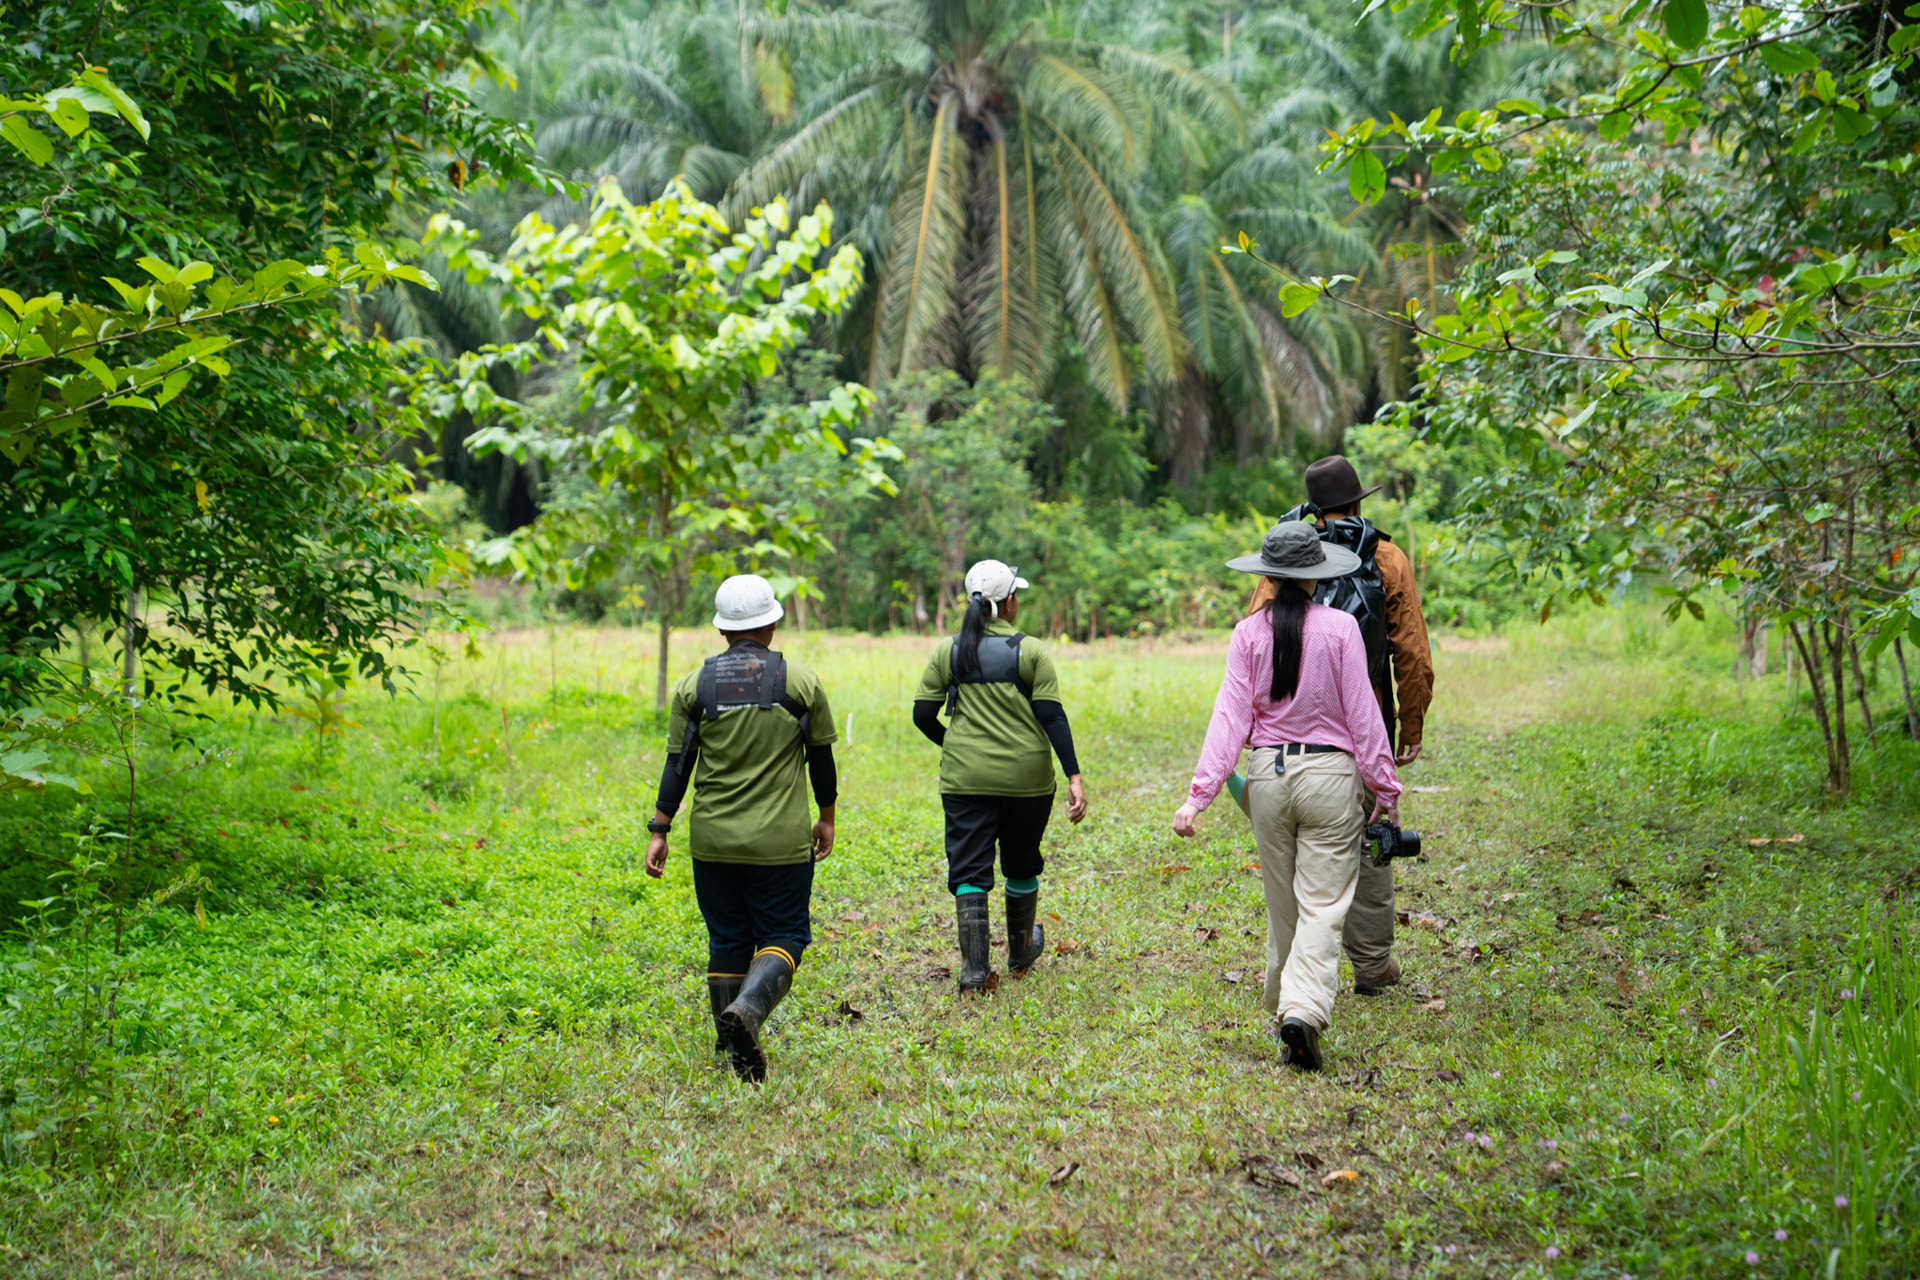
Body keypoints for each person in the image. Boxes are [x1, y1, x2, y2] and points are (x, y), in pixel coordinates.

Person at [1174, 521, 1401, 1071]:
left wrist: (1197, 797)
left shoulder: (1246, 633)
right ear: (1317, 578)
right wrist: (1384, 785)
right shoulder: (1342, 628)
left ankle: (1286, 1009)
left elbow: (1229, 718)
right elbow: (1363, 715)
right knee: (1324, 905)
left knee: (1285, 909)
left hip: (1268, 781)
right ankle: (1302, 1010)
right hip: (1329, 778)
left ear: (1270, 577)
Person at [1229, 455, 1432, 997]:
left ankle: (1295, 975)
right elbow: (1410, 650)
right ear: (1359, 501)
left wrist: (1248, 729)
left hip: (1285, 738)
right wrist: (1409, 724)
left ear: (1314, 507)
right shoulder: (1385, 557)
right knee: (1368, 841)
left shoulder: (1287, 552)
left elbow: (1255, 633)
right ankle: (1370, 965)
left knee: (1293, 854)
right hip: (1363, 729)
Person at [644, 574, 838, 1083]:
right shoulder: (800, 683)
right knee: (786, 934)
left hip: (713, 843)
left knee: (727, 937)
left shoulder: (695, 687)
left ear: (722, 630)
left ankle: (732, 1056)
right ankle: (749, 1012)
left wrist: (659, 828)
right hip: (779, 844)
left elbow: (677, 765)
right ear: (772, 623)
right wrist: (827, 817)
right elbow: (822, 762)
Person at [912, 561, 1089, 994]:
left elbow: (922, 715)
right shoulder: (1030, 651)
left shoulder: (948, 651)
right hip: (1027, 780)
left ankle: (974, 972)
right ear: (1008, 601)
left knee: (969, 868)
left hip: (964, 781)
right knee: (1021, 861)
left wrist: (955, 747)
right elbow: (1051, 715)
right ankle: (1021, 952)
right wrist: (1073, 776)